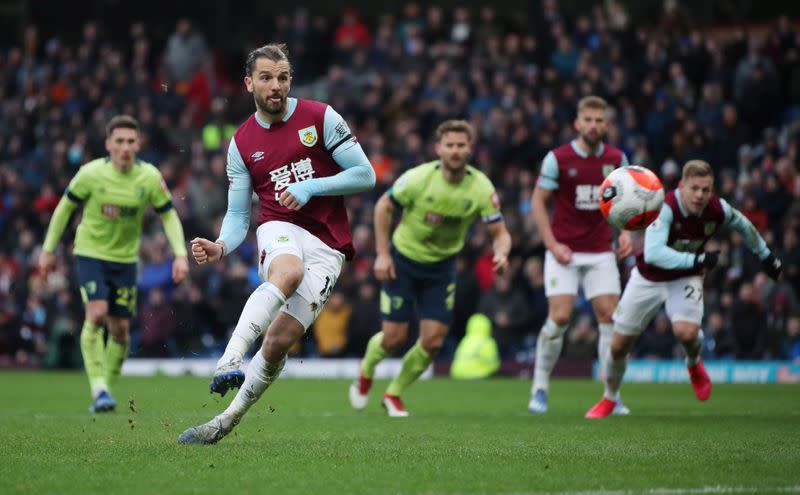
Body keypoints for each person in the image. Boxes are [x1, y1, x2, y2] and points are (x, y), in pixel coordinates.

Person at [178, 43, 375, 444]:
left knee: (278, 341)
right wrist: (220, 246)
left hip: (328, 244)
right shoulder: (242, 143)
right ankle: (229, 357)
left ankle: (225, 421)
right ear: (249, 83)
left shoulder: (321, 117)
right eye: (266, 77)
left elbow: (365, 175)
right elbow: (237, 216)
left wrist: (311, 187)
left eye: (283, 77)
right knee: (289, 272)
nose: (276, 85)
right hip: (278, 226)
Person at [585, 160, 782, 418]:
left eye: (706, 189)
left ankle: (693, 363)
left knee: (687, 334)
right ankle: (610, 398)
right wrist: (698, 260)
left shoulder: (716, 209)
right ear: (682, 186)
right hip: (648, 278)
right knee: (619, 346)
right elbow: (654, 254)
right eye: (695, 188)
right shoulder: (664, 206)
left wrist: (766, 256)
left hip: (685, 278)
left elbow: (743, 225)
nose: (700, 195)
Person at [348, 119, 511, 417]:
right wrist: (383, 254)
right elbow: (384, 206)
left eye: (461, 145)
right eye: (450, 145)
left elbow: (499, 231)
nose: (455, 151)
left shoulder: (480, 188)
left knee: (433, 341)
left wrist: (501, 253)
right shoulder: (419, 179)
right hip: (404, 261)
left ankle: (394, 394)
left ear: (470, 149)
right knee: (394, 338)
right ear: (439, 149)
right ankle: (366, 370)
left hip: (441, 268)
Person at [38, 115, 189, 413]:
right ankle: (98, 388)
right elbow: (64, 208)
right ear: (108, 144)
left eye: (130, 141)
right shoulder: (90, 174)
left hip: (125, 260)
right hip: (91, 253)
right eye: (119, 141)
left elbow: (168, 214)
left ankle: (105, 387)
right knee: (97, 313)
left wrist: (180, 254)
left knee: (120, 330)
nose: (125, 147)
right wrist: (48, 249)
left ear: (139, 144)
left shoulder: (148, 178)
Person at [527, 96, 632, 414]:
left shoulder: (617, 158)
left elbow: (629, 200)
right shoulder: (557, 158)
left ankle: (611, 395)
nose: (594, 125)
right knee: (559, 318)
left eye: (600, 120)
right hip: (565, 252)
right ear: (577, 123)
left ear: (606, 124)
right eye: (588, 119)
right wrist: (551, 244)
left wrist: (626, 232)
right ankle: (540, 388)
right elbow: (537, 202)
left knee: (610, 318)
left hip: (600, 249)